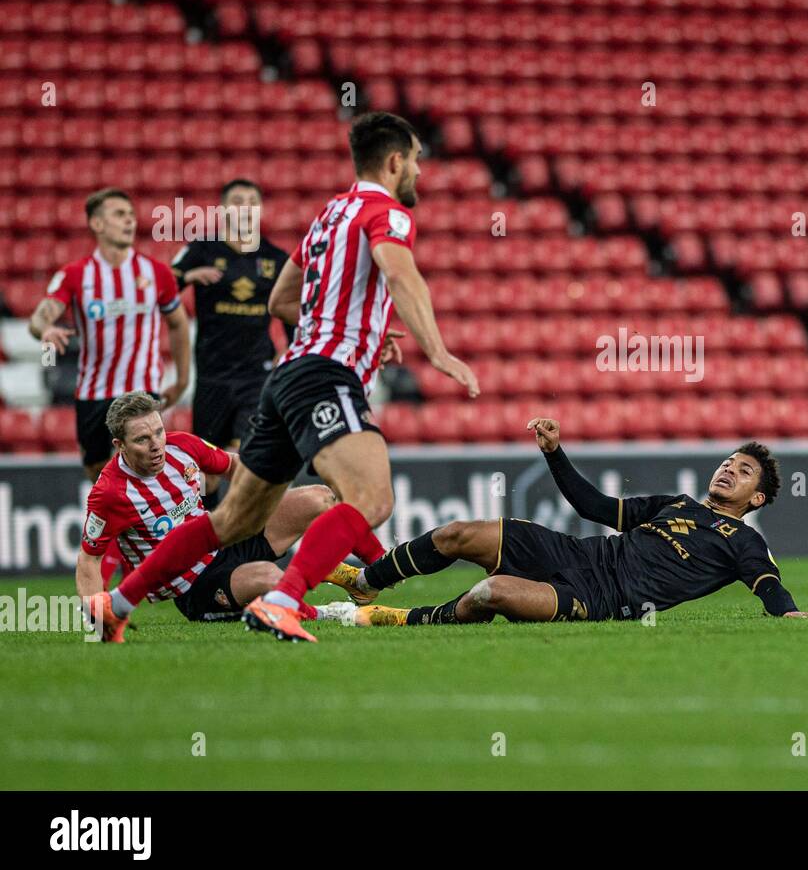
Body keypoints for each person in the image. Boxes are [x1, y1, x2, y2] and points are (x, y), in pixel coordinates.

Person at [95, 112, 479, 643]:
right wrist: (436, 350)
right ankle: (283, 600)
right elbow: (398, 271)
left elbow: (280, 300)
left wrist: (358, 329)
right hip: (324, 376)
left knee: (231, 520)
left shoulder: (328, 215)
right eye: (414, 160)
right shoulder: (385, 212)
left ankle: (116, 602)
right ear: (395, 162)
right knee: (371, 500)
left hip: (283, 377)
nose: (417, 171)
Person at [324, 417, 808, 626]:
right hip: (576, 553)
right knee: (456, 534)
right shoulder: (676, 502)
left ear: (757, 497)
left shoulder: (742, 540)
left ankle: (399, 619)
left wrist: (786, 612)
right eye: (728, 462)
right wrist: (555, 454)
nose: (728, 469)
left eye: (743, 471)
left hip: (604, 597)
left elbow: (768, 584)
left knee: (490, 593)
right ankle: (367, 582)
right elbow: (594, 507)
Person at [78, 392, 355, 640]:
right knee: (272, 579)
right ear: (120, 445)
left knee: (319, 497)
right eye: (142, 439)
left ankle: (353, 576)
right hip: (195, 586)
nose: (156, 445)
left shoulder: (182, 446)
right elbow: (90, 558)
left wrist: (260, 503)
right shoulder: (111, 493)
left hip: (226, 538)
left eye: (159, 432)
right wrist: (98, 617)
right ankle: (329, 614)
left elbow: (233, 466)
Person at [29, 187, 192, 587]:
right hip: (94, 395)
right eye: (118, 213)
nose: (129, 220)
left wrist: (183, 377)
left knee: (142, 475)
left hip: (140, 394)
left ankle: (136, 571)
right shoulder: (76, 275)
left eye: (130, 213)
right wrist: (46, 330)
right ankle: (125, 565)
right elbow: (40, 316)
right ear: (97, 223)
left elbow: (177, 324)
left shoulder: (156, 273)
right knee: (101, 482)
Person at [171, 178, 291, 507]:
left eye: (252, 200)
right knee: (208, 469)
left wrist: (293, 351)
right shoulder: (203, 249)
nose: (245, 207)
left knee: (245, 458)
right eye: (237, 200)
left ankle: (243, 536)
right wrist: (189, 276)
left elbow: (293, 310)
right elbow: (163, 285)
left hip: (256, 375)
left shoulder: (276, 258)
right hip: (212, 376)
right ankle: (208, 534)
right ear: (224, 209)